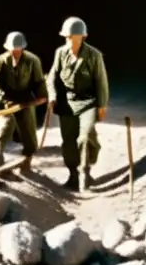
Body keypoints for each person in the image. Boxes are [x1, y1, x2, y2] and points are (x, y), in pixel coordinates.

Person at [46, 16, 109, 192]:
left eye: (72, 37)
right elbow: (52, 76)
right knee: (68, 141)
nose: (69, 41)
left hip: (88, 102)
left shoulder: (94, 55)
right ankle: (73, 174)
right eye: (66, 37)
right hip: (67, 103)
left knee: (85, 136)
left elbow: (101, 81)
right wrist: (52, 96)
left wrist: (102, 105)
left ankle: (86, 171)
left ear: (82, 37)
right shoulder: (60, 53)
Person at [0, 32, 47, 170]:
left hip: (26, 98)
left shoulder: (33, 61)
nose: (15, 53)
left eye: (17, 50)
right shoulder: (0, 61)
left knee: (28, 131)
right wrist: (1, 98)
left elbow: (39, 81)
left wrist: (42, 96)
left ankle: (27, 160)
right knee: (4, 124)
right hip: (8, 98)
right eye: (12, 50)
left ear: (22, 49)